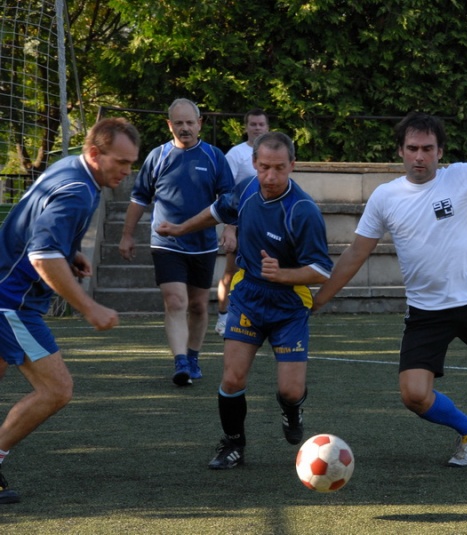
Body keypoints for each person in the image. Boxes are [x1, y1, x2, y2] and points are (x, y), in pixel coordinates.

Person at [313, 112, 467, 467]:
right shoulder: (385, 197)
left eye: (427, 148)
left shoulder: (460, 176)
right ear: (400, 151)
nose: (420, 156)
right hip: (426, 312)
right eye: (412, 148)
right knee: (414, 396)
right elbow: (356, 253)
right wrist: (319, 299)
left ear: (440, 152)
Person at [155, 132, 332, 469]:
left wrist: (283, 274)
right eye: (264, 167)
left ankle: (292, 409)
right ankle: (233, 444)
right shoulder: (246, 188)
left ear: (292, 165)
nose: (270, 176)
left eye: (279, 168)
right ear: (254, 163)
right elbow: (215, 211)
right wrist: (179, 229)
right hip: (248, 296)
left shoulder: (303, 210)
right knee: (232, 378)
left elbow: (322, 270)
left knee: (291, 390)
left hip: (289, 305)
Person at [0, 118, 140, 504]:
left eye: (132, 163)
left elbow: (39, 223)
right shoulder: (79, 190)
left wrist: (71, 250)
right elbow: (42, 256)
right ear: (95, 153)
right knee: (56, 390)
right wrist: (89, 307)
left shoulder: (70, 168)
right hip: (12, 302)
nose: (127, 172)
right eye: (121, 162)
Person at [119, 98, 234, 386]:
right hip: (166, 243)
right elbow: (139, 198)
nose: (185, 128)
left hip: (203, 244)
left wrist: (230, 230)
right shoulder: (158, 157)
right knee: (175, 300)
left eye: (190, 122)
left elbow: (229, 200)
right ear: (169, 125)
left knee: (198, 305)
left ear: (200, 124)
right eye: (179, 123)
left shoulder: (214, 157)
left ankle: (193, 357)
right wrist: (127, 235)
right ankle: (180, 361)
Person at [215, 109, 270, 336]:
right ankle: (223, 316)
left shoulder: (272, 153)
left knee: (264, 271)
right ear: (246, 127)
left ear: (267, 127)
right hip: (241, 224)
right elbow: (226, 192)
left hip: (266, 224)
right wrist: (230, 226)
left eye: (261, 124)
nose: (257, 128)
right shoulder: (236, 154)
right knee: (231, 271)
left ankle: (258, 317)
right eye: (253, 124)